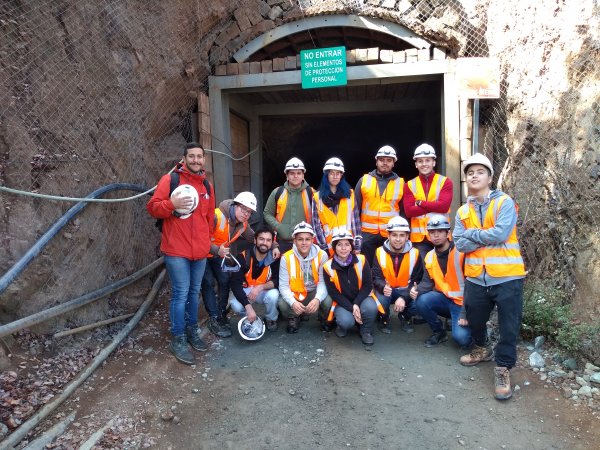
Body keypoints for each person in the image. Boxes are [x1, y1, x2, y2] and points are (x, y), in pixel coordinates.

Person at [454, 153, 526, 401]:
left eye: (480, 172)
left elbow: (501, 233)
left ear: (490, 177)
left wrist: (472, 234)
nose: (474, 175)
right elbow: (459, 244)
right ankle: (482, 348)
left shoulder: (504, 202)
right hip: (476, 277)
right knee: (475, 317)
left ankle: (503, 368)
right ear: (466, 179)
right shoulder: (463, 210)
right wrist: (481, 235)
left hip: (507, 276)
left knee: (508, 326)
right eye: (470, 172)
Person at [147, 142, 214, 365]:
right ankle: (178, 337)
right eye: (191, 156)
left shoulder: (206, 185)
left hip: (200, 252)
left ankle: (192, 331)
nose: (196, 160)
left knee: (195, 292)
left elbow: (208, 219)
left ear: (204, 160)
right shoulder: (171, 180)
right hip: (176, 250)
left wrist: (207, 243)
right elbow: (153, 207)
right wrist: (171, 203)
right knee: (181, 293)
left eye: (199, 157)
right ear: (184, 158)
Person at [201, 191, 264, 338]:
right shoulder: (216, 215)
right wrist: (216, 249)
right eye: (243, 209)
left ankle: (221, 313)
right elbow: (201, 238)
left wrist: (272, 245)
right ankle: (214, 318)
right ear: (235, 205)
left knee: (225, 280)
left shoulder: (242, 223)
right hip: (203, 254)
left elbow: (255, 238)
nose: (246, 213)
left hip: (218, 255)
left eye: (249, 211)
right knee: (208, 283)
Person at [414, 214, 471, 348]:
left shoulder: (461, 252)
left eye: (440, 231)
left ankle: (474, 327)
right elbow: (427, 282)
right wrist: (416, 290)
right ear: (428, 235)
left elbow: (472, 285)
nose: (436, 235)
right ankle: (439, 332)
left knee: (463, 340)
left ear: (448, 233)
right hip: (445, 299)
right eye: (432, 232)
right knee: (421, 300)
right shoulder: (429, 256)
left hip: (464, 304)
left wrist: (465, 312)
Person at [322, 229, 383, 346]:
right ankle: (342, 327)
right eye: (339, 245)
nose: (343, 248)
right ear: (334, 247)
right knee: (346, 321)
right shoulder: (327, 267)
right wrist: (351, 307)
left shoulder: (362, 260)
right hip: (342, 302)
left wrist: (356, 304)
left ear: (351, 247)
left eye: (347, 244)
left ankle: (365, 330)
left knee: (370, 307)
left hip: (362, 297)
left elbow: (367, 285)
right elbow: (334, 293)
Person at [278, 222, 333, 334]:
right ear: (294, 241)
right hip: (296, 294)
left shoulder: (322, 255)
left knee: (328, 301)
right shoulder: (286, 258)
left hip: (314, 291)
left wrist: (317, 299)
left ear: (312, 240)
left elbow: (323, 282)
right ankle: (294, 317)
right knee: (282, 303)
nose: (304, 243)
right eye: (300, 239)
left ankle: (323, 317)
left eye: (307, 239)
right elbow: (283, 286)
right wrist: (293, 302)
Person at [372, 216, 424, 334]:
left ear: (407, 237)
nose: (398, 239)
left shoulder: (415, 253)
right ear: (388, 235)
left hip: (406, 290)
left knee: (419, 302)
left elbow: (417, 279)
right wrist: (382, 286)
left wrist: (404, 297)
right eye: (394, 235)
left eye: (402, 235)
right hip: (387, 290)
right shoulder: (379, 252)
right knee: (380, 299)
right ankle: (384, 318)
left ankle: (405, 317)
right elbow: (376, 277)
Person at [355, 145, 405, 265]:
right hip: (367, 233)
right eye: (382, 160)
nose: (385, 163)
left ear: (394, 163)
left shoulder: (401, 183)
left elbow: (404, 213)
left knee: (387, 266)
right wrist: (357, 234)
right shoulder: (364, 180)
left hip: (390, 233)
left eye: (389, 160)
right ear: (376, 161)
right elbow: (355, 209)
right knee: (366, 266)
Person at [403, 143, 453, 255]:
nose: (424, 164)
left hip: (441, 235)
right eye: (420, 161)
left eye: (427, 160)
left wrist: (420, 203)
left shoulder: (445, 181)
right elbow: (409, 211)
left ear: (434, 162)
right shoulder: (409, 185)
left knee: (444, 271)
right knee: (424, 271)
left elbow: (444, 207)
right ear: (416, 164)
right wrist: (435, 205)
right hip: (420, 239)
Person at [228, 228, 280, 332]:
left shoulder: (275, 257)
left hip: (262, 291)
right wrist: (248, 307)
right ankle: (248, 316)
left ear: (272, 243)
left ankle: (271, 319)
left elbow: (277, 280)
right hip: (246, 290)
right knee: (235, 305)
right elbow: (235, 285)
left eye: (268, 240)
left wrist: (260, 287)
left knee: (274, 295)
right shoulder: (243, 256)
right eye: (261, 239)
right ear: (255, 240)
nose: (264, 243)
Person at [312, 157, 361, 256]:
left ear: (341, 175)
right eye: (331, 173)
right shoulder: (317, 197)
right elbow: (316, 226)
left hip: (348, 247)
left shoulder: (350, 195)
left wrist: (357, 245)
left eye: (338, 173)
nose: (335, 176)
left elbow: (355, 222)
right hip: (329, 248)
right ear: (326, 175)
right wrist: (323, 248)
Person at [263, 157, 314, 253]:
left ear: (303, 175)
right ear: (287, 175)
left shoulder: (311, 193)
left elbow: (318, 218)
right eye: (292, 173)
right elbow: (267, 213)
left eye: (299, 173)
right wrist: (278, 226)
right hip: (282, 244)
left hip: (305, 244)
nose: (295, 176)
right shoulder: (278, 192)